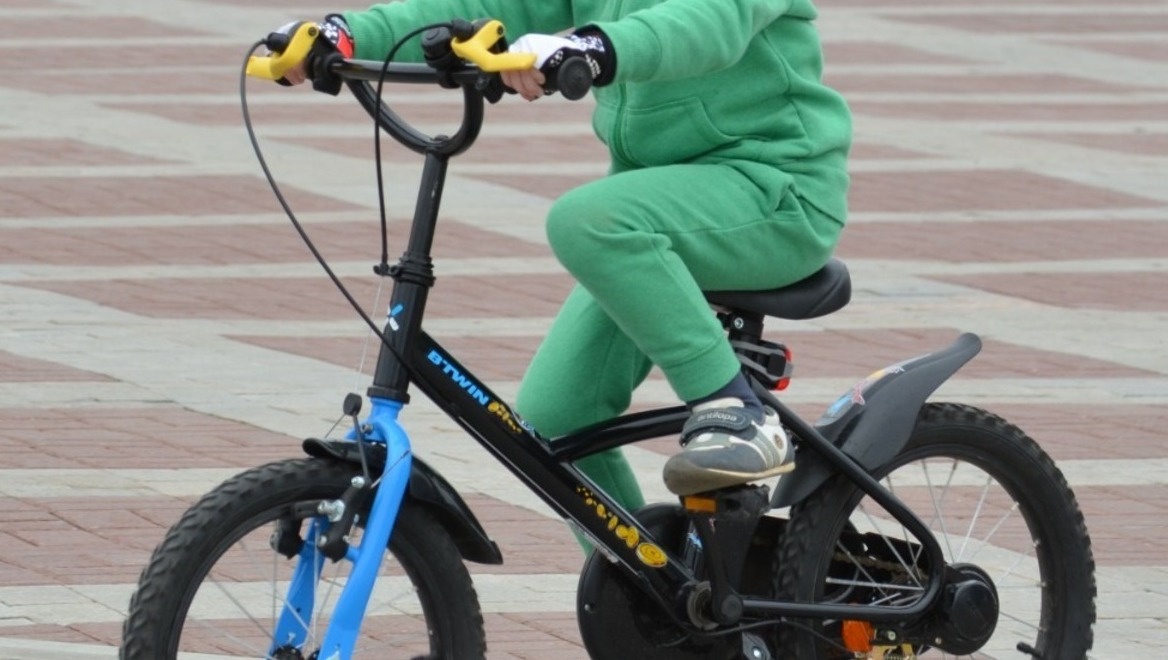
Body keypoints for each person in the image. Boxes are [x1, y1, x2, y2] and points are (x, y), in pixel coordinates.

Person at [274, 0, 851, 513]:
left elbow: (704, 23)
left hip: (775, 193)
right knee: (554, 419)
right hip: (667, 211)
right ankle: (642, 581)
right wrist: (348, 34)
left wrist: (593, 47)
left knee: (587, 220)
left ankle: (738, 411)